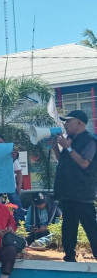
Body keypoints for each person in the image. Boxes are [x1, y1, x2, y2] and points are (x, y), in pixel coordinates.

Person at [52, 109, 97, 262]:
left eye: (68, 121)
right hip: (68, 192)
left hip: (83, 193)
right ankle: (69, 257)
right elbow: (63, 160)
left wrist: (68, 147)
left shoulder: (90, 139)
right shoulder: (69, 139)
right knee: (68, 228)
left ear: (79, 122)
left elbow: (84, 163)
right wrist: (55, 147)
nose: (65, 124)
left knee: (91, 228)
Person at [0, 134, 25, 221]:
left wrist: (19, 187)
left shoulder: (10, 157)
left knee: (17, 209)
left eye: (1, 142)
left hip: (11, 188)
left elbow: (19, 172)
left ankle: (19, 228)